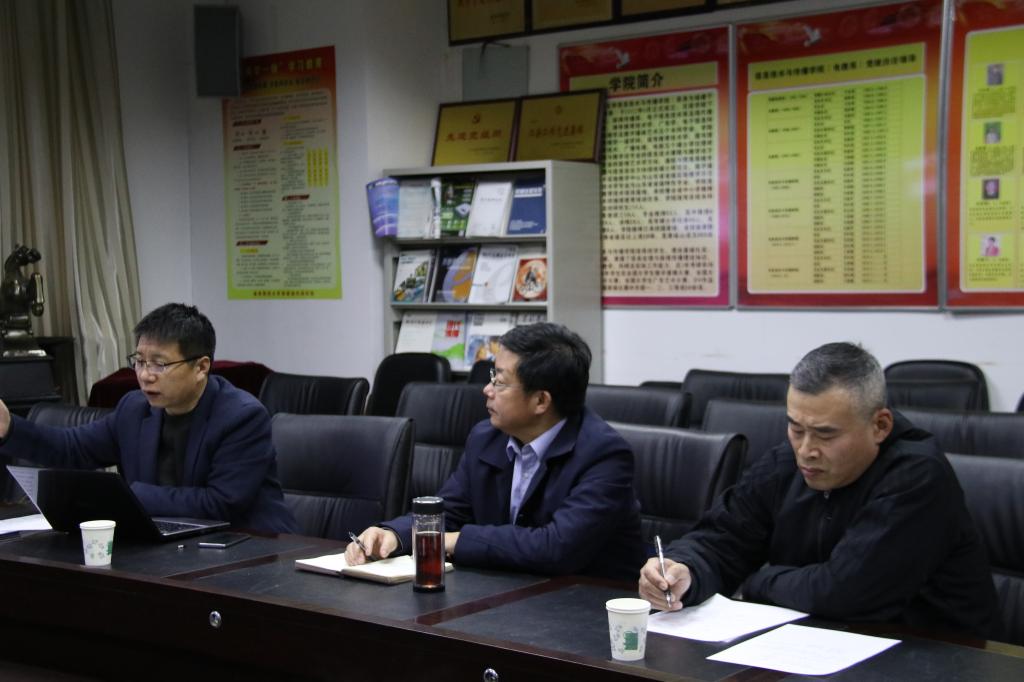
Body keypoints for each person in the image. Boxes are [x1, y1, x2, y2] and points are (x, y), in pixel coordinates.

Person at [639, 342, 996, 637]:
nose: (806, 450)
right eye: (796, 428)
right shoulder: (787, 461)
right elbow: (724, 538)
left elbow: (846, 592)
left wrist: (758, 582)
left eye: (826, 434)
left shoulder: (917, 476)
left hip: (935, 654)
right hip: (813, 642)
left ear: (880, 426)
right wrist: (684, 569)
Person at [347, 322, 645, 581]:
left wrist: (454, 541)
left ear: (541, 401)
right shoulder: (487, 437)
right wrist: (395, 535)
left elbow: (556, 548)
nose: (487, 390)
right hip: (508, 591)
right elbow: (451, 510)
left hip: (586, 604)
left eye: (500, 382)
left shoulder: (604, 455)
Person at [0, 303, 296, 534]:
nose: (144, 375)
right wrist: (10, 428)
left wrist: (128, 496)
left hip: (250, 548)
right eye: (140, 361)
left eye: (159, 364)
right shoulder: (134, 409)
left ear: (201, 367)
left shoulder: (242, 417)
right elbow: (72, 448)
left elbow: (220, 503)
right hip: (167, 542)